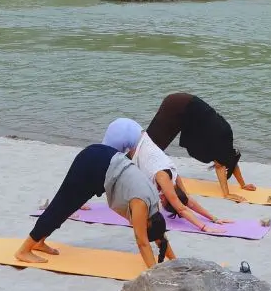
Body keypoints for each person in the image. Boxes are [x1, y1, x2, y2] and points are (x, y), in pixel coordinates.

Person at [14, 143, 175, 268]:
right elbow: (142, 241)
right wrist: (154, 273)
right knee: (62, 205)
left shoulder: (154, 210)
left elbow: (159, 234)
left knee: (66, 208)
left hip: (105, 163)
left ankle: (39, 242)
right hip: (92, 164)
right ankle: (24, 250)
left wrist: (174, 261)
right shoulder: (141, 204)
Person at [103, 118, 231, 234]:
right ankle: (82, 199)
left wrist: (214, 218)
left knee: (106, 166)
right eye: (163, 201)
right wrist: (204, 227)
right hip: (123, 132)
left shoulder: (175, 178)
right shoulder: (163, 177)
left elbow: (187, 201)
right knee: (102, 167)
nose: (161, 199)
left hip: (134, 128)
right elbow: (181, 208)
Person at [146, 93, 256, 203]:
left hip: (182, 102)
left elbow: (232, 162)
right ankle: (136, 170)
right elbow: (220, 166)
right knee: (151, 144)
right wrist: (226, 194)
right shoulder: (222, 142)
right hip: (178, 105)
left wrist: (243, 185)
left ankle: (139, 166)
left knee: (155, 144)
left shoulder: (226, 140)